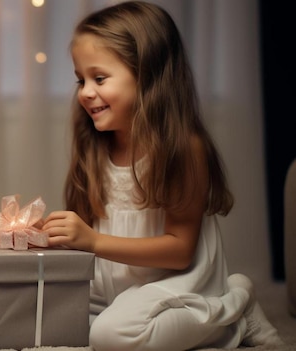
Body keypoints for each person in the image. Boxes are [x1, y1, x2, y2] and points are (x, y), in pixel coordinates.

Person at [41, 2, 284, 350]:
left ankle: (233, 309)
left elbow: (180, 251)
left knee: (111, 337)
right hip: (114, 291)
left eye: (99, 78)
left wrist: (92, 241)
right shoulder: (94, 146)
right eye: (81, 79)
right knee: (44, 316)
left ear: (148, 74)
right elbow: (86, 230)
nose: (85, 92)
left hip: (178, 284)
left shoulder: (182, 148)